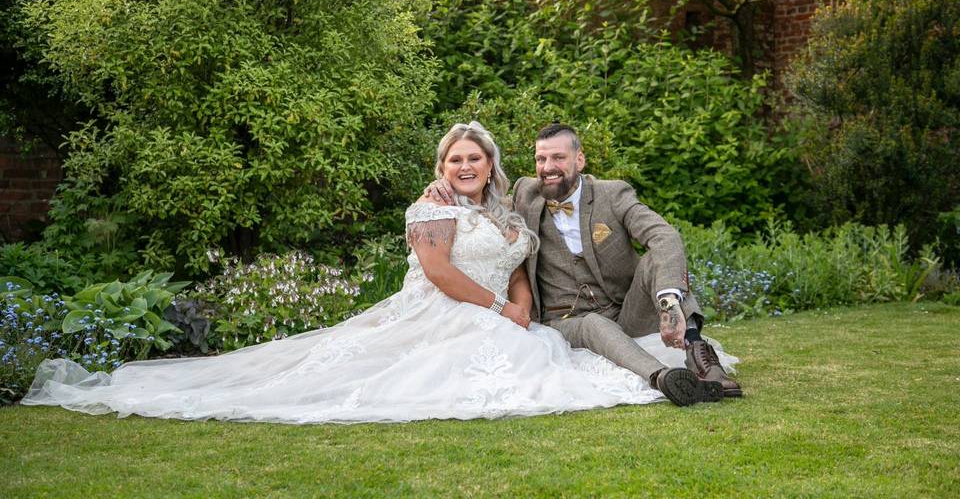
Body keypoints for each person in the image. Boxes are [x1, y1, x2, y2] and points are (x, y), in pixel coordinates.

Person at [23, 122, 734, 423]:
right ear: (443, 167)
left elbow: (524, 256)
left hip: (557, 309)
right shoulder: (442, 206)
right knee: (568, 336)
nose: (466, 167)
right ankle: (667, 373)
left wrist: (522, 298)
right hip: (492, 314)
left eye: (475, 160)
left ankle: (684, 332)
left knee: (657, 266)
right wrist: (501, 306)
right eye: (455, 160)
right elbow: (439, 266)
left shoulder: (533, 202)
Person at [428, 123, 742, 406]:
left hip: (624, 311)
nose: (548, 167)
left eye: (558, 158)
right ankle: (662, 378)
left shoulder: (612, 194)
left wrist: (668, 301)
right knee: (594, 323)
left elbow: (665, 236)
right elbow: (481, 199)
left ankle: (699, 355)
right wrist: (440, 187)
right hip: (565, 321)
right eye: (541, 159)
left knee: (661, 256)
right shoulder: (525, 194)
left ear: (579, 160)